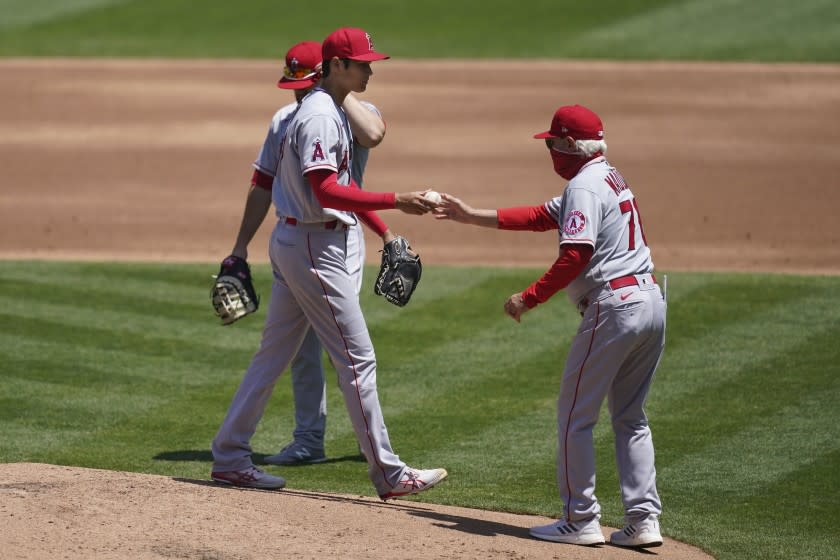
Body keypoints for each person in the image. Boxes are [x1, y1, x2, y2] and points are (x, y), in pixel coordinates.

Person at [210, 27, 447, 501]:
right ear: (336, 66)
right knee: (357, 361)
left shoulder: (327, 110)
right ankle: (390, 474)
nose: (370, 70)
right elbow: (327, 190)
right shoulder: (318, 115)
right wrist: (397, 201)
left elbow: (360, 151)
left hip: (300, 241)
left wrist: (383, 226)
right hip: (316, 247)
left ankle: (231, 455)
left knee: (274, 354)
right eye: (362, 64)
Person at [435, 104, 666, 547]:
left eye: (555, 144)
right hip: (650, 300)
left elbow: (575, 253)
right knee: (631, 417)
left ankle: (580, 519)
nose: (551, 152)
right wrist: (470, 214)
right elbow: (542, 216)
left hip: (614, 306)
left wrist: (530, 297)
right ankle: (642, 520)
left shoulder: (584, 185)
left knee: (575, 417)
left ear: (570, 146)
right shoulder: (606, 176)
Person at [220, 39, 391, 467]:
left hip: (340, 237)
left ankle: (247, 449)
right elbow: (264, 185)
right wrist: (240, 248)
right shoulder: (287, 120)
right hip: (304, 236)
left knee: (332, 348)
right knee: (300, 349)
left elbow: (372, 137)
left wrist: (333, 92)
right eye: (293, 86)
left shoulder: (343, 115)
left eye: (305, 84)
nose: (297, 94)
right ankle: (312, 440)